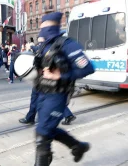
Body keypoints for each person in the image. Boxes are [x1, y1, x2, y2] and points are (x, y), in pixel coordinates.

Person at [33, 12, 95, 166]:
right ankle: (78, 146)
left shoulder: (68, 44)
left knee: (42, 135)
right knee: (47, 129)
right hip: (41, 92)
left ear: (53, 26)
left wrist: (61, 76)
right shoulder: (44, 45)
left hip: (57, 95)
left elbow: (87, 68)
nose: (42, 30)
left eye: (44, 26)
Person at [19, 35, 76, 126]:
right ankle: (68, 115)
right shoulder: (55, 47)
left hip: (44, 78)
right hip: (50, 78)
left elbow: (39, 55)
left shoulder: (46, 47)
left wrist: (31, 47)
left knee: (35, 98)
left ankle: (30, 118)